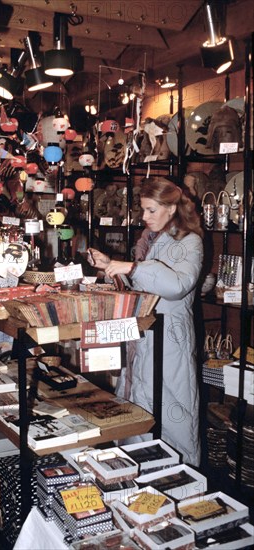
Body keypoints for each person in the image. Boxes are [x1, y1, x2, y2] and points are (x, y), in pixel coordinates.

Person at [87, 177, 204, 467]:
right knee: (139, 401)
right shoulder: (151, 240)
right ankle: (135, 477)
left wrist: (133, 267)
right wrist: (111, 267)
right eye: (144, 210)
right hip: (145, 335)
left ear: (172, 208)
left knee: (172, 407)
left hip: (170, 339)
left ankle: (178, 478)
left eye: (151, 210)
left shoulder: (191, 242)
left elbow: (178, 284)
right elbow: (142, 286)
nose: (145, 216)